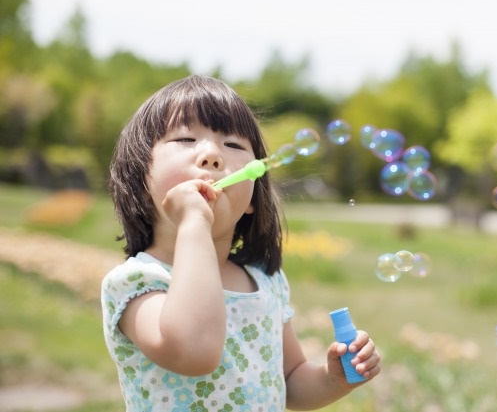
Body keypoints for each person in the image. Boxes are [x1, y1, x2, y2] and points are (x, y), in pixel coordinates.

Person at [101, 74, 381, 411]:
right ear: (140, 177)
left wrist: (332, 379)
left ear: (251, 196)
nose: (212, 155)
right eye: (187, 138)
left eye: (233, 145)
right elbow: (195, 351)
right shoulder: (137, 283)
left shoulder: (265, 281)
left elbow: (290, 380)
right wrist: (194, 223)